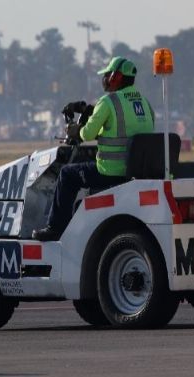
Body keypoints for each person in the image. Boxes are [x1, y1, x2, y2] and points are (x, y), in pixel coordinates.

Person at [33, 57, 155, 241]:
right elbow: (125, 132)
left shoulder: (108, 102)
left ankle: (55, 228)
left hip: (110, 171)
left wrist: (73, 129)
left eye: (107, 75)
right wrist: (95, 117)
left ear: (116, 77)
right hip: (136, 170)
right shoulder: (145, 103)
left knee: (67, 174)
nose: (104, 79)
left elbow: (87, 134)